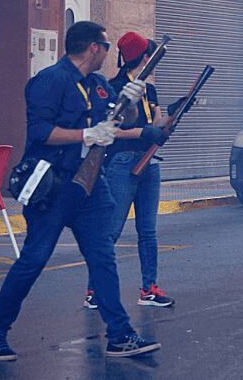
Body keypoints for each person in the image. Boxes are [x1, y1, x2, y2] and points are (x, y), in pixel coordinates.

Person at [0, 21, 160, 361]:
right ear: (93, 47)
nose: (109, 53)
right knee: (34, 260)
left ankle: (119, 334)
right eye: (106, 46)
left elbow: (120, 120)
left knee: (103, 258)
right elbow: (41, 132)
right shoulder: (49, 82)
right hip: (54, 187)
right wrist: (86, 136)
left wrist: (132, 100)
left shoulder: (98, 84)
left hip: (91, 187)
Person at [84, 34, 174, 311]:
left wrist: (174, 113)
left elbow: (156, 123)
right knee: (111, 230)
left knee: (148, 231)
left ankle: (149, 288)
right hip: (122, 161)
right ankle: (94, 290)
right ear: (145, 58)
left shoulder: (150, 89)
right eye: (150, 55)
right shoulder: (115, 88)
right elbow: (113, 129)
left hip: (150, 161)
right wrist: (142, 131)